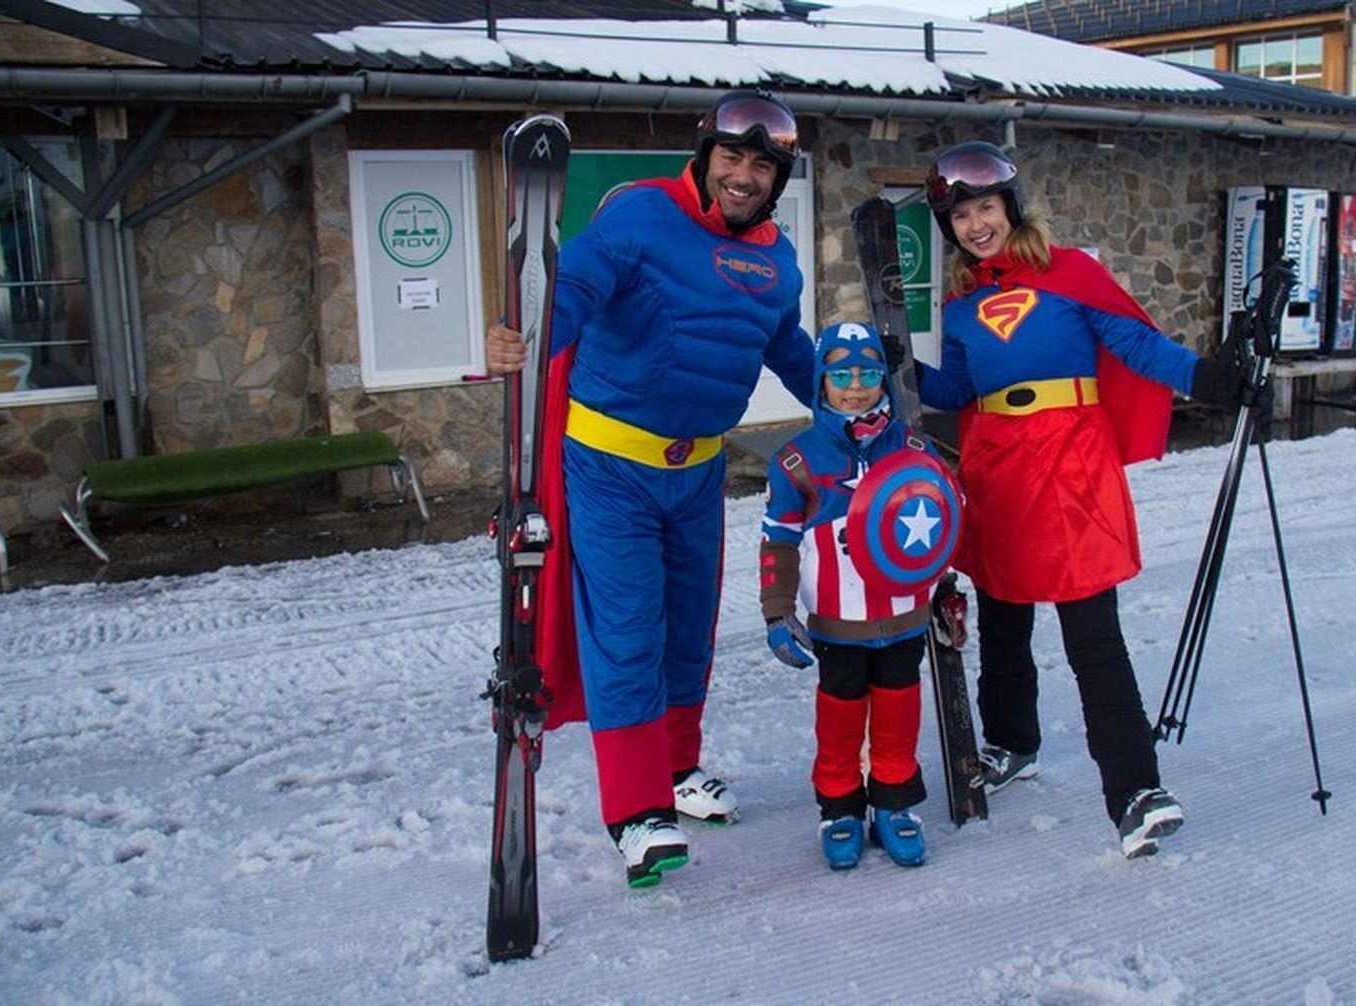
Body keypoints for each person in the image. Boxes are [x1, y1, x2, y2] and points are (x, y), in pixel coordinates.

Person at [484, 90, 817, 888]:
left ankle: (675, 772)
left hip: (699, 472)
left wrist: (860, 404)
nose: (744, 176)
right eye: (732, 158)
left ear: (779, 179)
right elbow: (574, 290)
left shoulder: (777, 262)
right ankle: (636, 811)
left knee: (687, 634)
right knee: (628, 632)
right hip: (609, 470)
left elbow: (789, 350)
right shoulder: (639, 218)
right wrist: (525, 336)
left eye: (762, 166)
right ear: (705, 157)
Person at [895, 140, 1252, 859]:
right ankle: (1011, 743)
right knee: (1003, 621)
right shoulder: (962, 308)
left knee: (1093, 635)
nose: (974, 225)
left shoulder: (1071, 274)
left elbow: (1138, 346)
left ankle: (1135, 790)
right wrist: (897, 366)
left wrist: (1207, 378)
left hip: (1070, 464)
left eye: (985, 208)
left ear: (1011, 207)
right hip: (997, 467)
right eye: (960, 216)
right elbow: (958, 391)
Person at [758, 321, 951, 871]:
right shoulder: (796, 460)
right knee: (840, 711)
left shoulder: (913, 446)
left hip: (904, 614)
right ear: (821, 381)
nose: (856, 385)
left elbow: (938, 522)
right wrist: (778, 612)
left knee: (898, 707)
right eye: (841, 373)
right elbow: (778, 541)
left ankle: (894, 803)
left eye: (868, 373)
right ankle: (839, 806)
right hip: (837, 622)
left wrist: (945, 587)